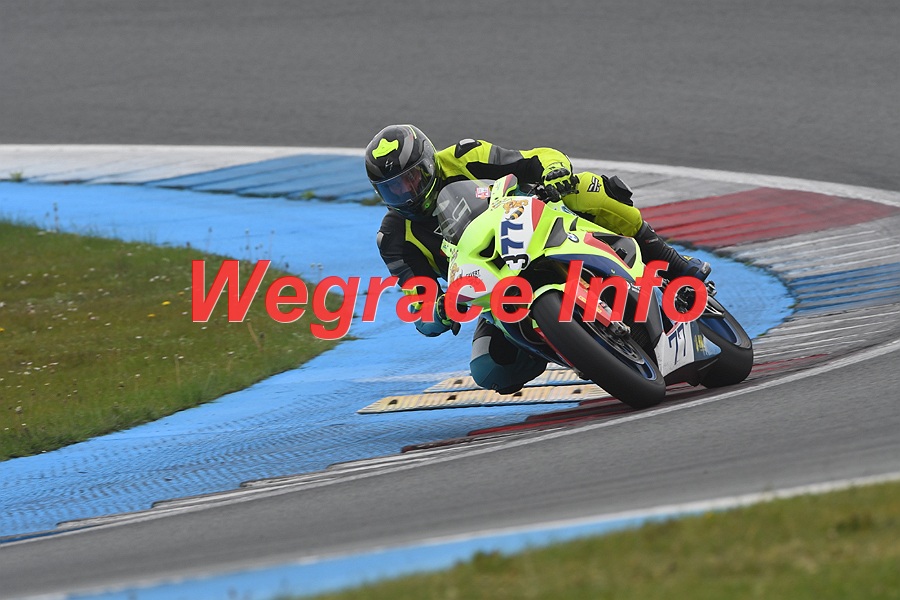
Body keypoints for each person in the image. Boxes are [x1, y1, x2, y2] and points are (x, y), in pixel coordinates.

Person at [366, 124, 709, 394]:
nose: (406, 193)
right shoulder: (394, 239)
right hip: (494, 288)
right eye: (393, 189)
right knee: (489, 370)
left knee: (586, 188)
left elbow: (535, 158)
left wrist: (555, 172)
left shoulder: (464, 155)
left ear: (429, 163)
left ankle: (674, 263)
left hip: (535, 226)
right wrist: (438, 311)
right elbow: (418, 302)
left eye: (411, 179)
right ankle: (579, 349)